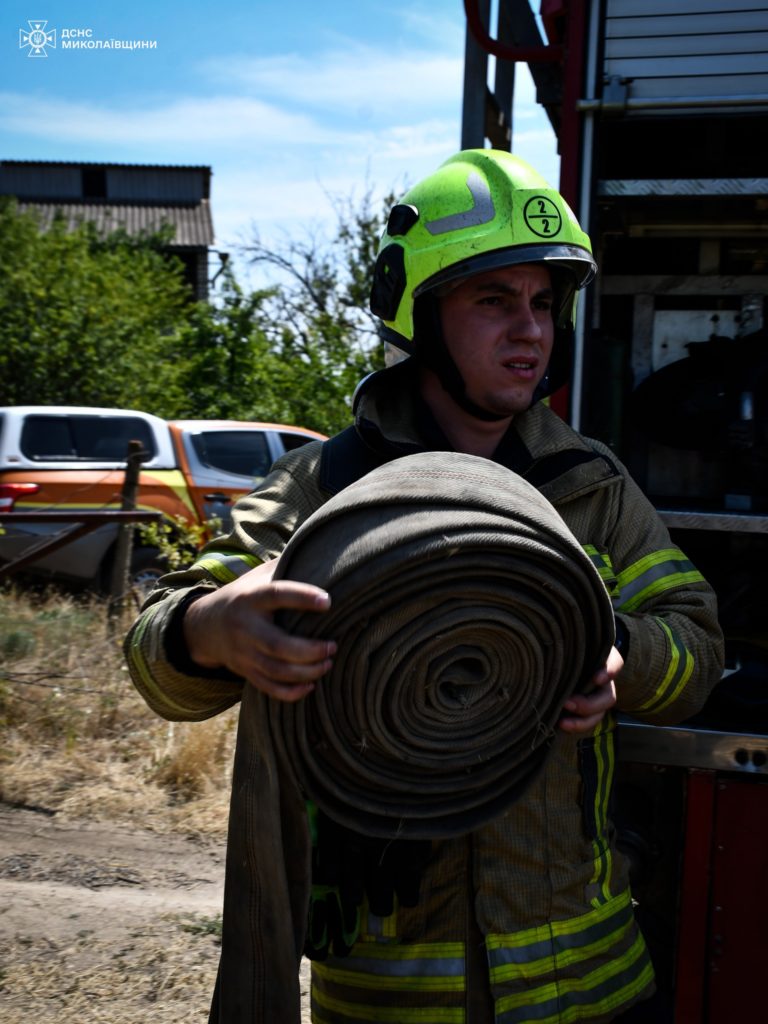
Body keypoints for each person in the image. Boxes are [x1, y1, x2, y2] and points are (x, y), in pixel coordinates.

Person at [124, 149, 724, 1023]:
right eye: (494, 300)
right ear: (422, 312)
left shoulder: (589, 487)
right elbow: (155, 656)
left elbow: (700, 651)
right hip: (390, 998)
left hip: (591, 988)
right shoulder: (322, 490)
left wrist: (620, 655)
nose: (531, 331)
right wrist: (213, 628)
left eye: (544, 304)